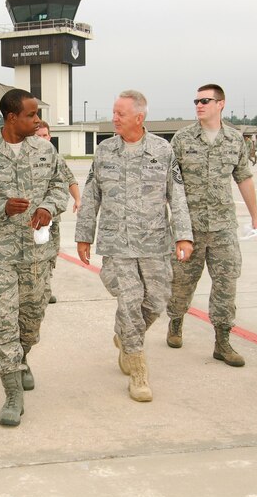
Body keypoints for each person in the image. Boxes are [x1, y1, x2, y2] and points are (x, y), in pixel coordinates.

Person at [0, 88, 68, 426]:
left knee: (30, 320)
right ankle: (12, 391)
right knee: (3, 318)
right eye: (32, 115)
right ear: (11, 118)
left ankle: (23, 357)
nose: (37, 121)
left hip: (38, 252)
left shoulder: (46, 150)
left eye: (37, 115)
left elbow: (60, 186)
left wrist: (49, 207)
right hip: (0, 253)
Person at [75, 90, 193, 403]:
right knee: (130, 299)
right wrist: (83, 235)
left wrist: (184, 235)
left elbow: (176, 196)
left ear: (139, 118)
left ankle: (125, 337)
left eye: (120, 114)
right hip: (116, 243)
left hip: (155, 242)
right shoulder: (104, 151)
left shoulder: (162, 150)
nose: (114, 118)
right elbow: (91, 195)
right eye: (114, 113)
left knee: (155, 301)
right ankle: (138, 370)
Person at [166, 84, 257, 368]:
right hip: (189, 228)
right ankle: (175, 320)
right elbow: (172, 184)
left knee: (226, 283)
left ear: (221, 104)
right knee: (182, 282)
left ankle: (222, 341)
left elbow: (244, 178)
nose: (199, 105)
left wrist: (255, 217)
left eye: (205, 101)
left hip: (223, 227)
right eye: (196, 101)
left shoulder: (234, 139)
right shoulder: (182, 139)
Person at [34, 121, 81, 303]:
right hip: (33, 217)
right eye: (38, 135)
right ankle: (37, 291)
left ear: (50, 136)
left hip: (53, 216)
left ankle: (45, 289)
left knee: (51, 253)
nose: (43, 139)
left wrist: (77, 199)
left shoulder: (56, 158)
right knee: (35, 255)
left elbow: (70, 179)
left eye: (45, 135)